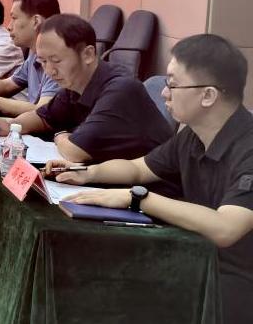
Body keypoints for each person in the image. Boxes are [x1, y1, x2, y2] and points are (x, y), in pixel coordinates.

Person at [50, 34, 253, 323]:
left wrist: (138, 199)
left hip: (238, 283)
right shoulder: (192, 136)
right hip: (200, 260)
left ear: (208, 95)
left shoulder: (248, 147)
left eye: (173, 84)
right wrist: (86, 172)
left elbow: (226, 228)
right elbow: (138, 169)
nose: (164, 93)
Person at [0, 14, 172, 162]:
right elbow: (43, 117)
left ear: (88, 54)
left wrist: (60, 136)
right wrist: (11, 126)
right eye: (43, 62)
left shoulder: (120, 89)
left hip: (148, 188)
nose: (49, 71)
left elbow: (76, 152)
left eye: (56, 61)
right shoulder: (74, 84)